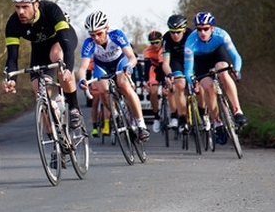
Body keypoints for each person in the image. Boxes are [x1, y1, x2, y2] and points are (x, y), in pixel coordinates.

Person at [0, 0, 82, 129]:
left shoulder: (51, 10)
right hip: (39, 48)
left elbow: (66, 45)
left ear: (36, 5)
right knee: (39, 90)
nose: (20, 11)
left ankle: (74, 108)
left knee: (56, 55)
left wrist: (68, 68)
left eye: (25, 6)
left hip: (61, 40)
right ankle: (56, 137)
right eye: (17, 7)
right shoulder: (13, 24)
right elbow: (12, 57)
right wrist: (11, 79)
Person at [76, 10, 150, 142]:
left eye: (99, 33)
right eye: (92, 35)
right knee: (102, 90)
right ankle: (115, 114)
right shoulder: (89, 43)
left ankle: (141, 124)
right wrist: (82, 79)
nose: (96, 38)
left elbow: (132, 57)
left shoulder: (117, 34)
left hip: (119, 63)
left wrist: (129, 66)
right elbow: (82, 68)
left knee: (124, 85)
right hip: (102, 66)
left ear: (107, 29)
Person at [184, 11, 247, 144]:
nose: (202, 32)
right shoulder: (190, 42)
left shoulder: (221, 35)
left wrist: (237, 70)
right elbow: (188, 70)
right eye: (199, 29)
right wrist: (192, 81)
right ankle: (217, 123)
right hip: (200, 60)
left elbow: (236, 57)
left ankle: (237, 111)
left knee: (223, 73)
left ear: (212, 28)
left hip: (217, 55)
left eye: (206, 29)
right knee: (208, 87)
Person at [160, 14, 194, 133]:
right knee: (179, 84)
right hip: (176, 62)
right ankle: (182, 119)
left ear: (184, 30)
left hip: (192, 59)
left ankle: (204, 113)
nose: (175, 35)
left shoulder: (192, 35)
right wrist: (169, 74)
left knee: (202, 84)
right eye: (172, 32)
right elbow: (165, 63)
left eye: (178, 32)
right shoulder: (166, 39)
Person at [142, 30, 166, 132]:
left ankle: (175, 114)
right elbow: (147, 68)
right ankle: (156, 116)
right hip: (155, 70)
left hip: (165, 69)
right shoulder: (147, 51)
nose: (155, 45)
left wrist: (166, 84)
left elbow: (165, 67)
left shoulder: (165, 49)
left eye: (157, 42)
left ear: (161, 41)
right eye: (152, 43)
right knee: (153, 91)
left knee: (172, 89)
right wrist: (146, 82)